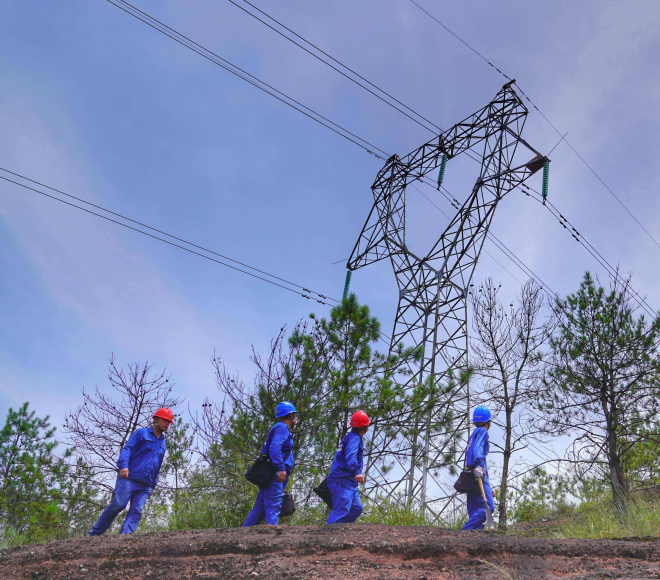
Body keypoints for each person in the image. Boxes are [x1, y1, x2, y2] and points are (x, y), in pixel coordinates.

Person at [89, 407, 173, 536]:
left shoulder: (163, 443)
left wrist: (153, 485)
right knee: (119, 504)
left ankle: (124, 538)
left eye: (169, 421)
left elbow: (158, 464)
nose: (167, 423)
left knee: (136, 511)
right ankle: (94, 535)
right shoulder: (141, 433)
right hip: (130, 478)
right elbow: (127, 449)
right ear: (156, 419)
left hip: (146, 484)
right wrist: (123, 466)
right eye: (165, 420)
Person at [243, 401, 296, 526]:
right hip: (274, 475)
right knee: (273, 507)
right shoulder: (282, 428)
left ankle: (240, 537)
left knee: (259, 511)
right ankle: (273, 540)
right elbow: (275, 448)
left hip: (272, 476)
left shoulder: (278, 428)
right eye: (294, 415)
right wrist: (281, 469)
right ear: (291, 416)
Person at [326, 410, 370, 525]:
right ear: (366, 426)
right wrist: (356, 472)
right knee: (342, 509)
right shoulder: (354, 438)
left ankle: (341, 531)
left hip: (348, 482)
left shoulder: (350, 437)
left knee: (356, 508)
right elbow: (350, 456)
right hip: (342, 480)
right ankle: (329, 536)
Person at [461, 405, 495, 530]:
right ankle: (463, 533)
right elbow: (478, 451)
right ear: (488, 421)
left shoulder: (472, 436)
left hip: (470, 476)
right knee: (489, 506)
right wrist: (480, 466)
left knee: (475, 510)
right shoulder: (482, 432)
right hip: (478, 473)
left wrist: (487, 488)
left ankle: (471, 540)